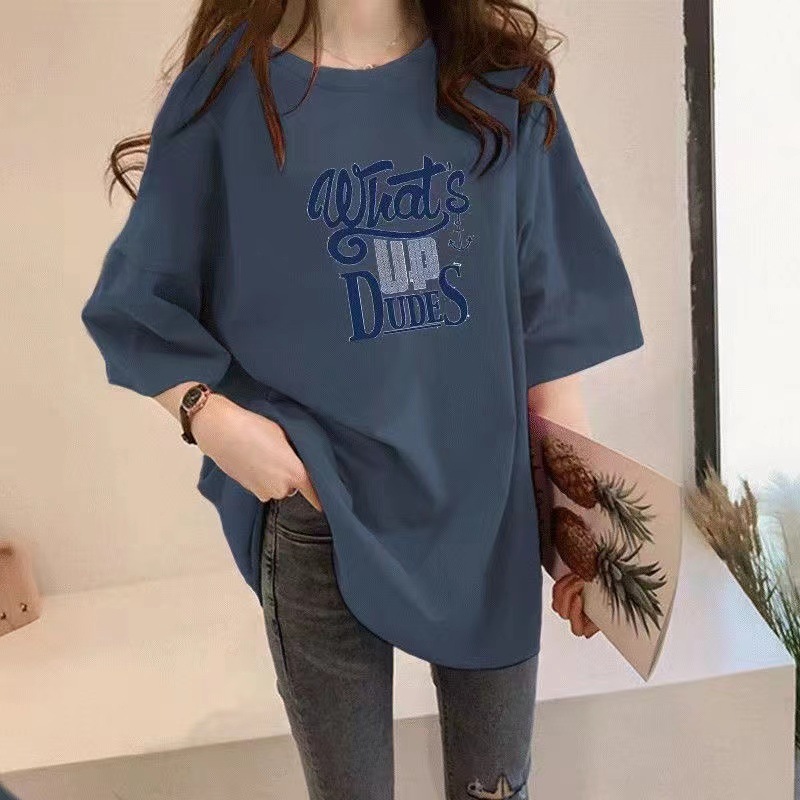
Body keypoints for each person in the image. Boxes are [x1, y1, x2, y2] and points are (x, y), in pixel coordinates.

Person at [80, 1, 645, 798]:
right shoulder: (230, 91)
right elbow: (139, 301)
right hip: (319, 511)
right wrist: (211, 419)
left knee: (497, 789)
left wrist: (577, 526)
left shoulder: (503, 83)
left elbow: (547, 319)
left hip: (486, 509)